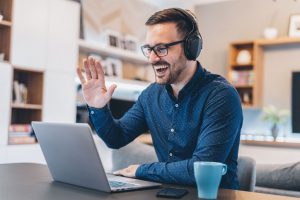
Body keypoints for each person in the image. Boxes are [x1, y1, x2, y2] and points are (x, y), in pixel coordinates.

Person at [77, 8, 243, 189]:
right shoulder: (151, 95)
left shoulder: (221, 96)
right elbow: (116, 138)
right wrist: (98, 107)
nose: (152, 58)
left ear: (191, 47)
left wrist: (141, 170)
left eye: (161, 49)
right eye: (149, 49)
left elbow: (201, 168)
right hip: (166, 193)